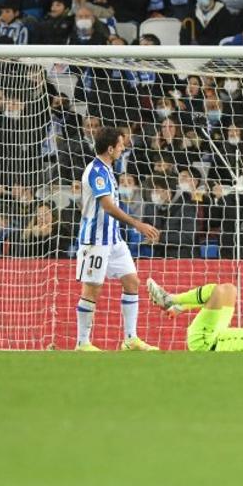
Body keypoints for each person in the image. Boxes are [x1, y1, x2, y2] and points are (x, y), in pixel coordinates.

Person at [74, 127, 160, 352]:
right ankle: (82, 342)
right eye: (121, 145)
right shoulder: (96, 171)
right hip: (95, 241)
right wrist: (137, 224)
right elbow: (108, 206)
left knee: (132, 282)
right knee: (91, 289)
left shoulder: (109, 170)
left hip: (114, 239)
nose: (123, 148)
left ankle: (130, 339)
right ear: (110, 148)